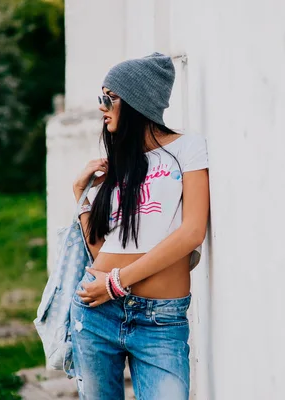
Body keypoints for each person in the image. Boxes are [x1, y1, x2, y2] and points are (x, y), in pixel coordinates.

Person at [69, 52, 210, 400]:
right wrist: (80, 195)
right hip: (97, 310)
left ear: (136, 100)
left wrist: (117, 283)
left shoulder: (187, 149)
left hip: (161, 320)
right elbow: (102, 250)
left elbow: (192, 231)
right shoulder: (119, 162)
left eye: (109, 97)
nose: (102, 106)